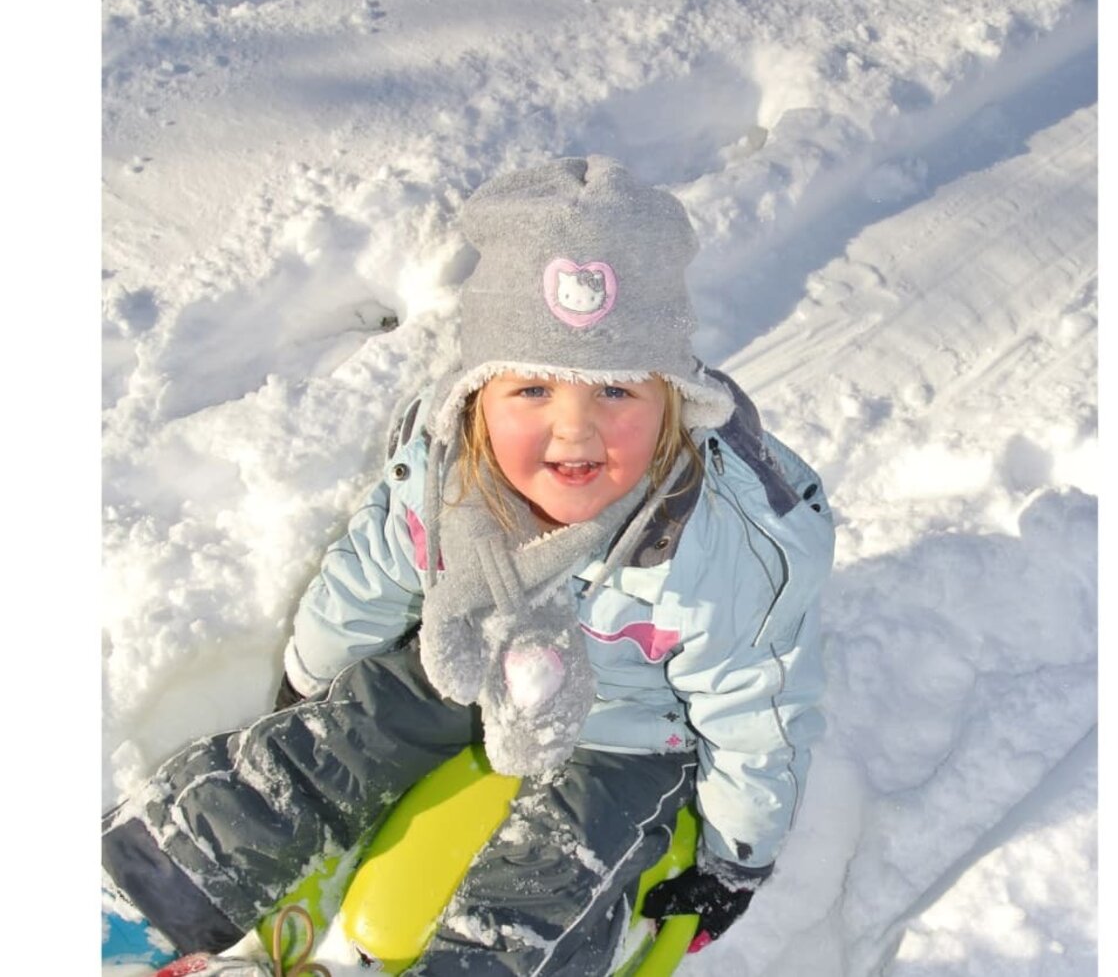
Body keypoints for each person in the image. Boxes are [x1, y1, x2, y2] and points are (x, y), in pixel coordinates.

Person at [102, 155, 835, 976]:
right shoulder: (446, 475)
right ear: (477, 396)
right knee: (335, 743)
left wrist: (738, 853)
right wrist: (315, 684)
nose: (575, 432)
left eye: (617, 393)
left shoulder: (719, 546)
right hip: (466, 659)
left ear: (674, 402)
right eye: (532, 392)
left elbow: (757, 707)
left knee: (553, 875)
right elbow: (372, 571)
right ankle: (136, 891)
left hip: (628, 733)